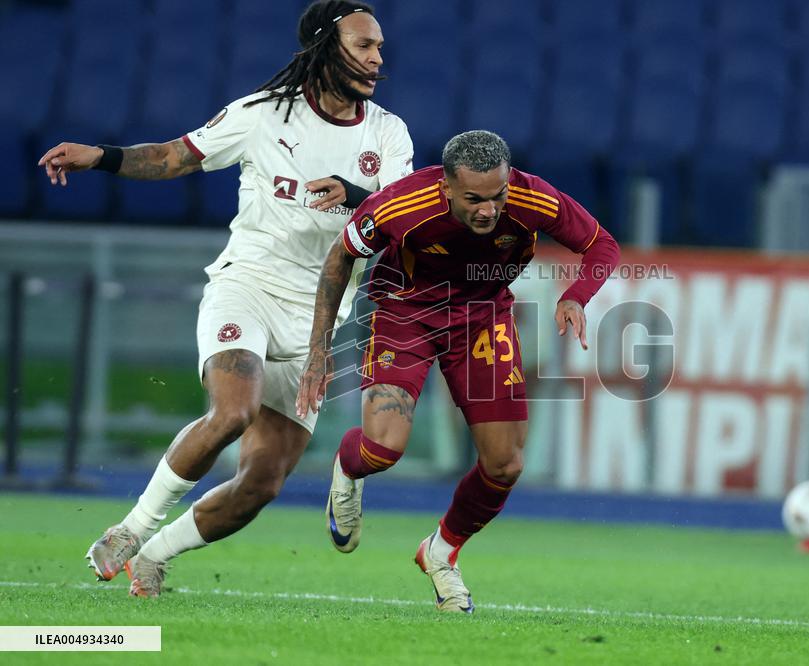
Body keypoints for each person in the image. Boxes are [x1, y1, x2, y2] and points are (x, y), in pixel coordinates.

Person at [36, 0, 414, 596]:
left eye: (379, 47)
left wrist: (354, 193)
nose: (376, 58)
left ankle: (155, 555)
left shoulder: (387, 132)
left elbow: (401, 218)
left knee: (261, 484)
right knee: (234, 411)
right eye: (364, 45)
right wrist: (102, 157)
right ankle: (132, 528)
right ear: (325, 48)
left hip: (319, 314)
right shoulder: (262, 114)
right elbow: (175, 156)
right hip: (249, 286)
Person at [296, 130, 620, 613]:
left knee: (505, 465)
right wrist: (319, 349)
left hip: (483, 318)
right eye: (474, 199)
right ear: (445, 187)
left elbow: (602, 245)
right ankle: (348, 465)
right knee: (382, 449)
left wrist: (575, 297)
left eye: (498, 195)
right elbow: (342, 254)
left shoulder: (533, 197)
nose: (489, 210)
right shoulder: (400, 205)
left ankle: (441, 551)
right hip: (407, 314)